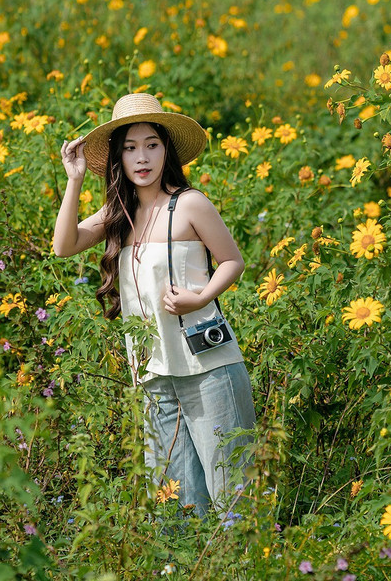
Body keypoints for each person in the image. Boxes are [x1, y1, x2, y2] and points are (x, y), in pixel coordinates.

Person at [53, 92, 256, 515]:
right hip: (151, 375)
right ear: (118, 159)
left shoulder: (190, 203)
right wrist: (74, 180)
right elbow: (63, 245)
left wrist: (200, 296)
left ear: (167, 150)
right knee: (172, 506)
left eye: (151, 145)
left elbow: (232, 261)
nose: (141, 157)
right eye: (129, 148)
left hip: (209, 368)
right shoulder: (117, 212)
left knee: (233, 495)